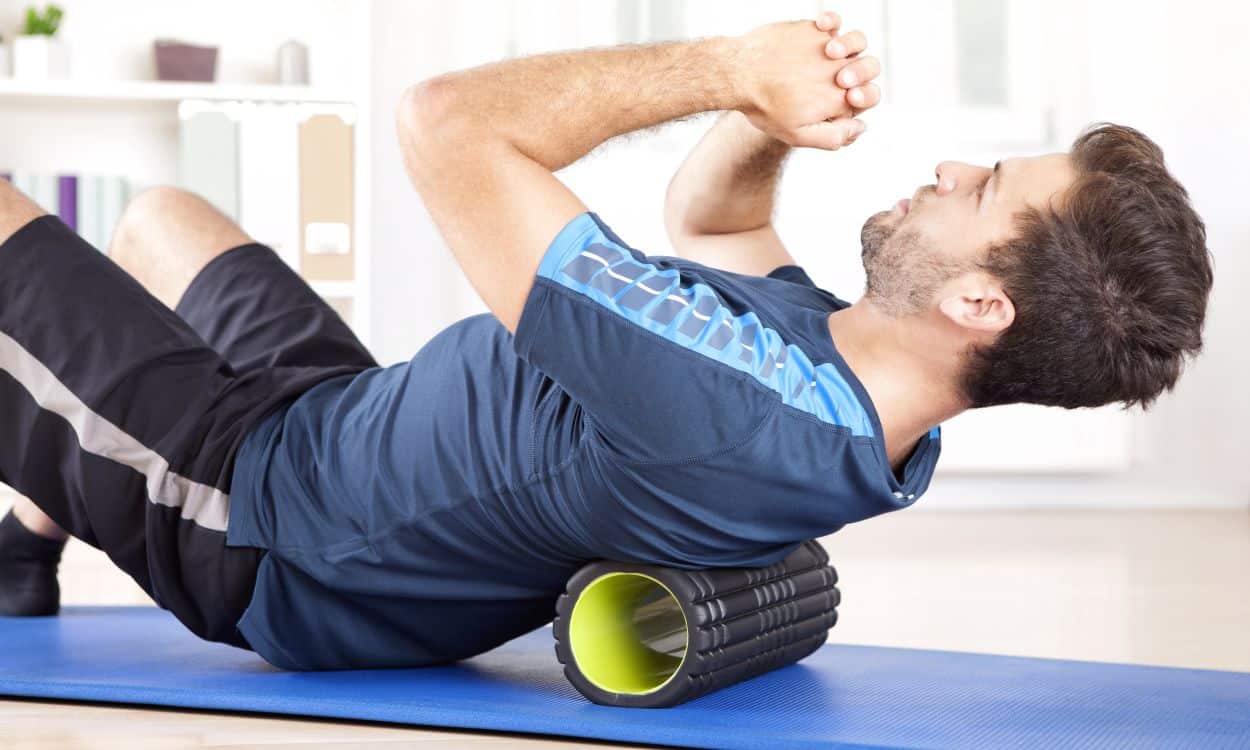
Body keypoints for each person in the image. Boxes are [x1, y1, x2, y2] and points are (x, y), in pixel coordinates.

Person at [0, 13, 1212, 669]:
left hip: (267, 523)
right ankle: (28, 538)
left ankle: (60, 480)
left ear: (980, 306)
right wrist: (764, 113)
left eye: (984, 183)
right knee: (164, 220)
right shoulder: (852, 396)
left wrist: (724, 65)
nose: (951, 165)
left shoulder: (740, 416)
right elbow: (718, 218)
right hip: (345, 422)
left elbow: (450, 125)